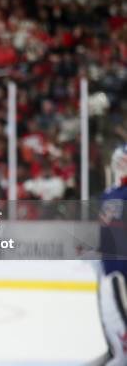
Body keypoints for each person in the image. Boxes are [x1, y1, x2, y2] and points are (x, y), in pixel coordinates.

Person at [94, 144, 127, 366]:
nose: (120, 164)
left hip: (122, 263)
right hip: (107, 262)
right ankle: (114, 349)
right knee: (108, 311)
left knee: (120, 311)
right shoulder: (108, 193)